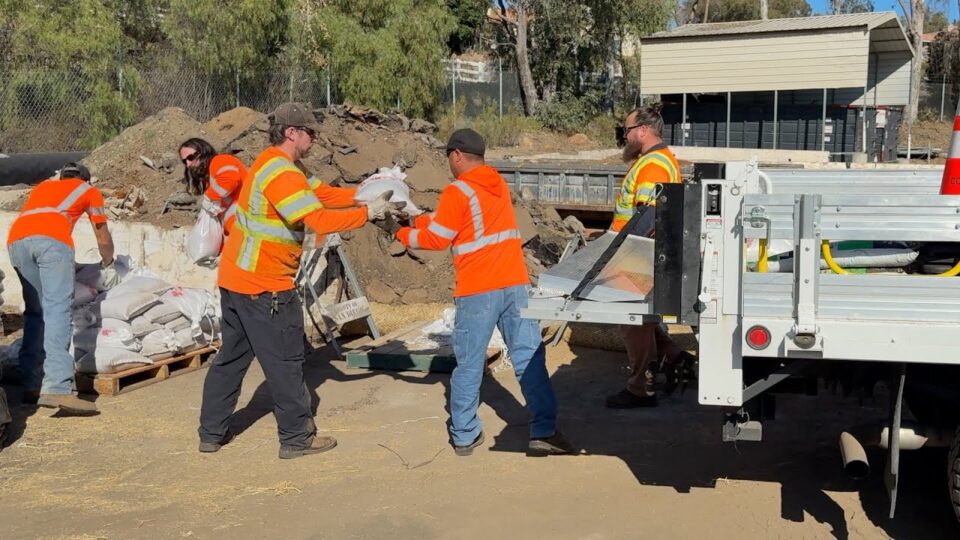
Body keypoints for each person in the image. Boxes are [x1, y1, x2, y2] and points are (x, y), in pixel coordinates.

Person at [197, 102, 400, 460]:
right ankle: (296, 437)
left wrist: (362, 195)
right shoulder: (283, 175)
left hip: (237, 279)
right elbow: (317, 219)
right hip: (266, 285)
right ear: (291, 132)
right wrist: (367, 214)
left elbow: (322, 195)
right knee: (286, 362)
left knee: (231, 358)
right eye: (310, 133)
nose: (315, 139)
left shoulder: (274, 163)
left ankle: (211, 433)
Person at [376, 128, 571, 457]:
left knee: (468, 364)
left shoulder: (458, 191)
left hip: (478, 290)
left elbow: (438, 239)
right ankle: (545, 430)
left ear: (456, 155)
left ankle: (465, 435)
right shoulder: (497, 184)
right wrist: (415, 219)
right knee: (528, 357)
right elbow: (453, 223)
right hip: (515, 284)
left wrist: (398, 232)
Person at [6, 162, 115, 415]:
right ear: (85, 179)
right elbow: (102, 237)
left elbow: (37, 222)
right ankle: (57, 386)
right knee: (58, 309)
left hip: (16, 243)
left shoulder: (43, 187)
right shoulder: (88, 191)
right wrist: (108, 263)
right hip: (53, 243)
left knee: (36, 312)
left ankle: (32, 384)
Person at [606, 105, 695, 409]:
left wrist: (619, 254)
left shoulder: (653, 164)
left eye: (627, 130)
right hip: (640, 254)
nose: (625, 136)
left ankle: (640, 388)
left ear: (643, 131)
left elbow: (646, 219)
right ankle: (674, 356)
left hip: (637, 256)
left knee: (631, 322)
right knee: (641, 320)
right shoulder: (656, 160)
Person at [179, 138, 247, 234]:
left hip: (246, 221)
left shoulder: (220, 160)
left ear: (202, 152)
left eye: (191, 157)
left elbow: (230, 180)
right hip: (239, 226)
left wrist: (208, 197)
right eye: (184, 161)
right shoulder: (211, 175)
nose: (188, 164)